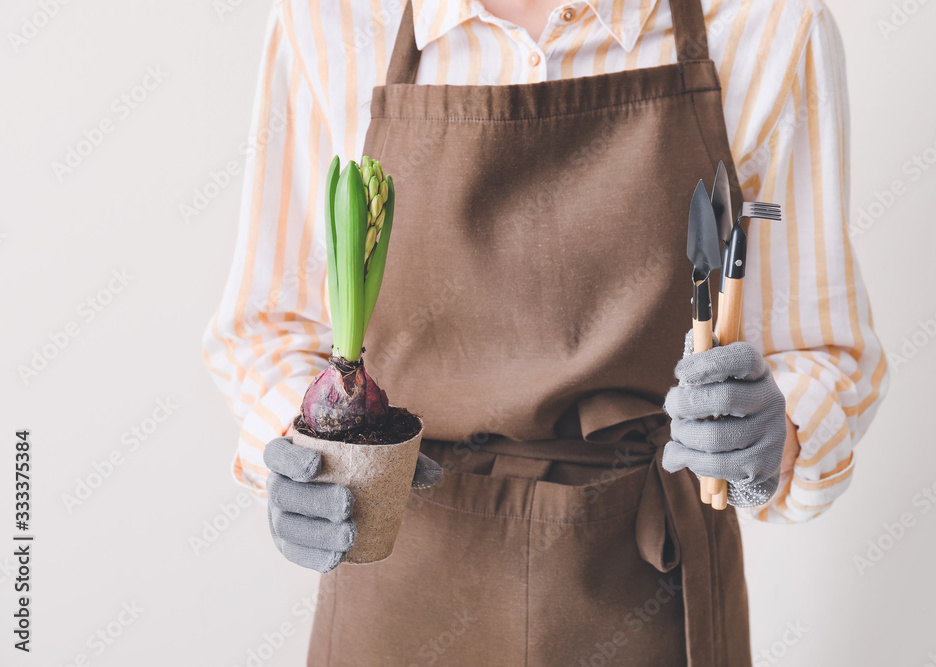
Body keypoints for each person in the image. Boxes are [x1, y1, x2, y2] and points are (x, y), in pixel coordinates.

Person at [203, 0, 888, 663]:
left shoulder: (768, 25)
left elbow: (822, 349)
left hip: (649, 591)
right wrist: (302, 456)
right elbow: (268, 327)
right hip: (396, 585)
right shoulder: (328, 24)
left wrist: (776, 437)